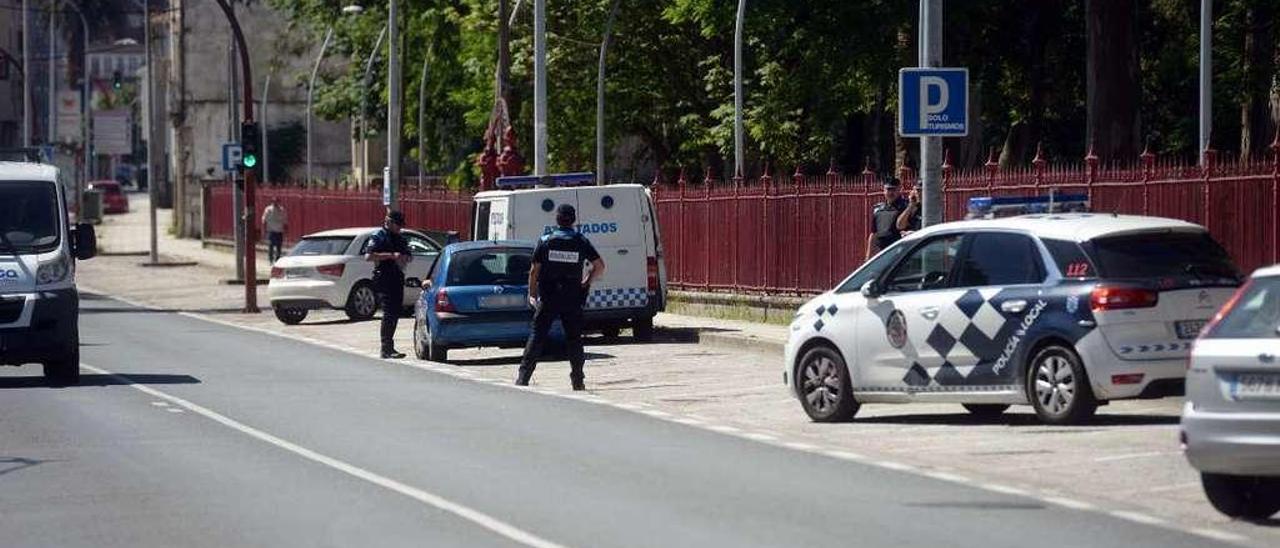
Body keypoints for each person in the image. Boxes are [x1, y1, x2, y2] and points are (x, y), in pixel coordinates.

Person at [516, 204, 605, 391]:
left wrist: (532, 294)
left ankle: (523, 378)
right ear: (573, 220)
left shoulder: (546, 240)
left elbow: (534, 271)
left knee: (537, 335)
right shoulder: (580, 241)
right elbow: (600, 266)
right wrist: (586, 281)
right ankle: (578, 381)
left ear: (557, 219)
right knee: (574, 339)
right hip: (572, 297)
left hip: (548, 296)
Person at [364, 210, 413, 359]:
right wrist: (390, 256)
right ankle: (386, 348)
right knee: (389, 312)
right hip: (384, 277)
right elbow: (368, 256)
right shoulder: (379, 236)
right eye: (397, 225)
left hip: (397, 277)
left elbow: (408, 256)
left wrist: (405, 257)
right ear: (388, 222)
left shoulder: (400, 238)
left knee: (396, 312)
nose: (399, 228)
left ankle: (389, 347)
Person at [864, 176, 921, 261]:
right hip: (882, 252)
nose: (890, 193)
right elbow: (873, 234)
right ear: (884, 190)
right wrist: (868, 257)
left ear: (899, 190)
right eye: (888, 189)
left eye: (893, 189)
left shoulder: (906, 206)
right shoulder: (879, 209)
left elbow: (903, 225)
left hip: (899, 252)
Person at [262, 198, 288, 262]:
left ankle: (277, 259)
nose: (275, 203)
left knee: (279, 246)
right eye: (274, 202)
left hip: (279, 231)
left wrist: (286, 230)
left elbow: (285, 220)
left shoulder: (282, 210)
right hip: (271, 230)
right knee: (271, 245)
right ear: (272, 202)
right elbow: (264, 220)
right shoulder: (268, 209)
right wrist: (264, 229)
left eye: (277, 201)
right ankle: (271, 259)